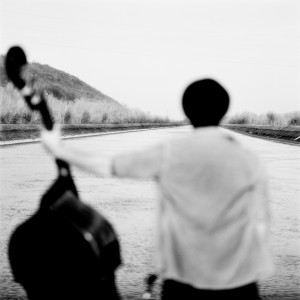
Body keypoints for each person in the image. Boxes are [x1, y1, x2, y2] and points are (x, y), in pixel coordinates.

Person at [41, 78, 274, 300]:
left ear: (187, 110)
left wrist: (57, 148)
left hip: (183, 286)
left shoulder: (170, 153)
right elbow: (261, 224)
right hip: (240, 286)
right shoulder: (249, 160)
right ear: (223, 111)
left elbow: (109, 166)